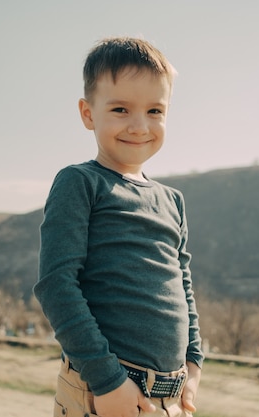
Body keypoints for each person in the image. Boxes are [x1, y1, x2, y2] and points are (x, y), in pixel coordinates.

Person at [33, 36, 203, 417]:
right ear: (88, 113)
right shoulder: (81, 183)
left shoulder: (172, 200)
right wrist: (107, 380)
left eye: (155, 111)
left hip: (171, 398)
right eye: (121, 109)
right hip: (104, 392)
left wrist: (194, 363)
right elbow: (57, 285)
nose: (140, 125)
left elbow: (183, 286)